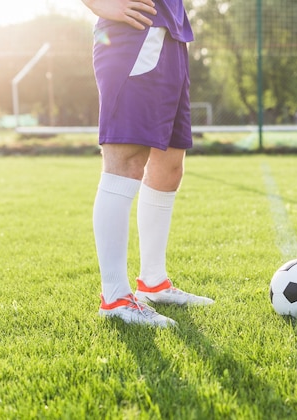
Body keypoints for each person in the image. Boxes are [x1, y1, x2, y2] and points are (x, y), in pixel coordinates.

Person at [82, 0, 214, 327]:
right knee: (126, 163)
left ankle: (153, 282)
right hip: (135, 37)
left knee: (169, 167)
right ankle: (114, 297)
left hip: (173, 38)